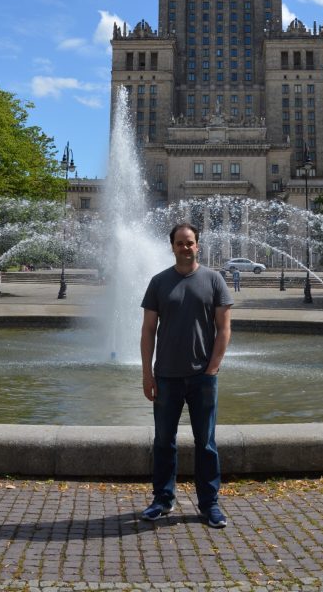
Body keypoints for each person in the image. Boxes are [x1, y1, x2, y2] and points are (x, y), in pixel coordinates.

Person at [140, 222, 233, 528]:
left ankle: (209, 504)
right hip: (166, 375)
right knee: (164, 441)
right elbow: (148, 331)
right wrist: (147, 373)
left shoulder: (214, 280)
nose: (185, 247)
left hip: (202, 378)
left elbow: (224, 329)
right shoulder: (158, 282)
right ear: (172, 247)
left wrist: (213, 368)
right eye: (179, 243)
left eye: (190, 242)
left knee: (206, 443)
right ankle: (162, 500)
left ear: (198, 246)